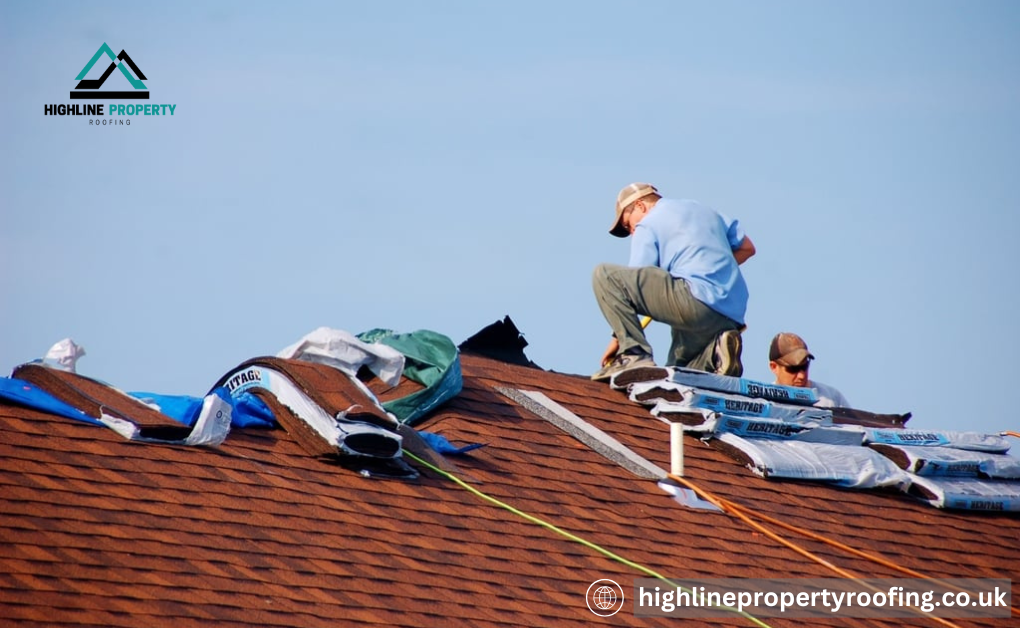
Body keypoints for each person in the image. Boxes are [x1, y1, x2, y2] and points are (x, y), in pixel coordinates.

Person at [591, 182, 755, 382]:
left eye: (628, 224)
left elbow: (631, 285)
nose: (632, 231)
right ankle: (716, 354)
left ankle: (634, 354)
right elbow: (747, 248)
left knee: (605, 275)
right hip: (730, 315)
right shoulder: (704, 210)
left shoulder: (648, 223)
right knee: (677, 377)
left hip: (693, 302)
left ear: (641, 206)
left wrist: (618, 339)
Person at [768, 332, 849, 408]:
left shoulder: (832, 398)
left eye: (805, 366)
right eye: (793, 369)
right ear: (774, 367)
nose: (801, 376)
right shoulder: (764, 403)